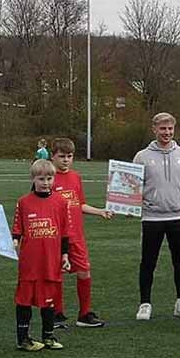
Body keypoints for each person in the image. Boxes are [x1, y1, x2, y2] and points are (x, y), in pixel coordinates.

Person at [133, 112, 180, 321]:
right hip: (151, 218)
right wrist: (129, 206)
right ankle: (145, 304)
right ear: (154, 129)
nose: (167, 133)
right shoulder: (142, 156)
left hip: (179, 218)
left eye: (170, 129)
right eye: (162, 128)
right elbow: (131, 186)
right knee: (148, 262)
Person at [11, 159, 72, 352]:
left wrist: (65, 256)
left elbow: (64, 232)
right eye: (41, 179)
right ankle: (23, 339)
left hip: (51, 261)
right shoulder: (23, 202)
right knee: (24, 300)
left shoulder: (61, 202)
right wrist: (14, 242)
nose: (45, 182)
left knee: (49, 300)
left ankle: (48, 336)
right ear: (33, 179)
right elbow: (17, 229)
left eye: (49, 178)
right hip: (30, 262)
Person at [49, 137, 110, 329]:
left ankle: (84, 314)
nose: (66, 160)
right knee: (56, 274)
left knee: (84, 271)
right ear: (53, 157)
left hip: (77, 235)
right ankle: (56, 314)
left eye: (69, 156)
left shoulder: (75, 177)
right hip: (56, 237)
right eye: (61, 156)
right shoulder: (47, 178)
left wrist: (100, 211)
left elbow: (80, 204)